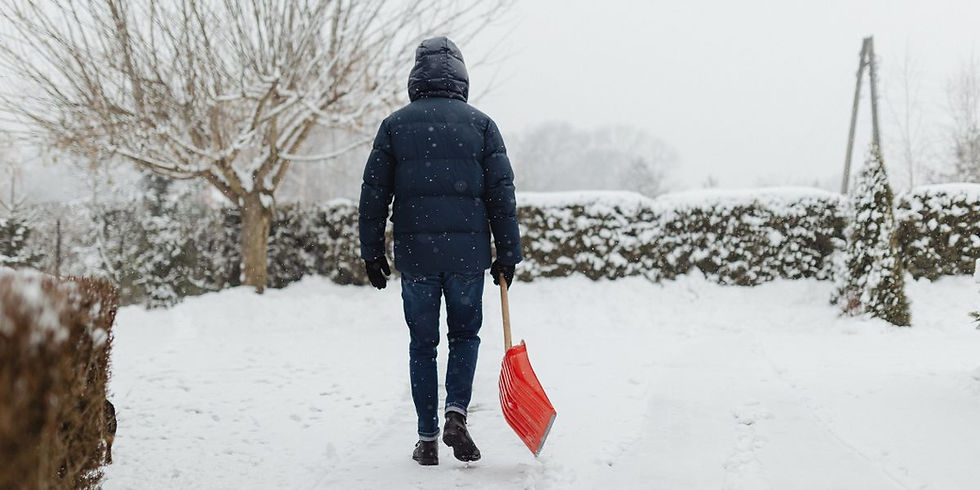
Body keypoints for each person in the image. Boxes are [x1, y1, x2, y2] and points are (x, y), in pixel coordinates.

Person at [358, 36, 522, 466]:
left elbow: (374, 196)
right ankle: (456, 414)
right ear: (462, 77)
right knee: (465, 335)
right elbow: (501, 196)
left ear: (416, 75)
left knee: (422, 344)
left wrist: (372, 252)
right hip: (467, 257)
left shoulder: (395, 126)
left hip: (417, 257)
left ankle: (428, 439)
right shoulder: (482, 125)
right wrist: (507, 253)